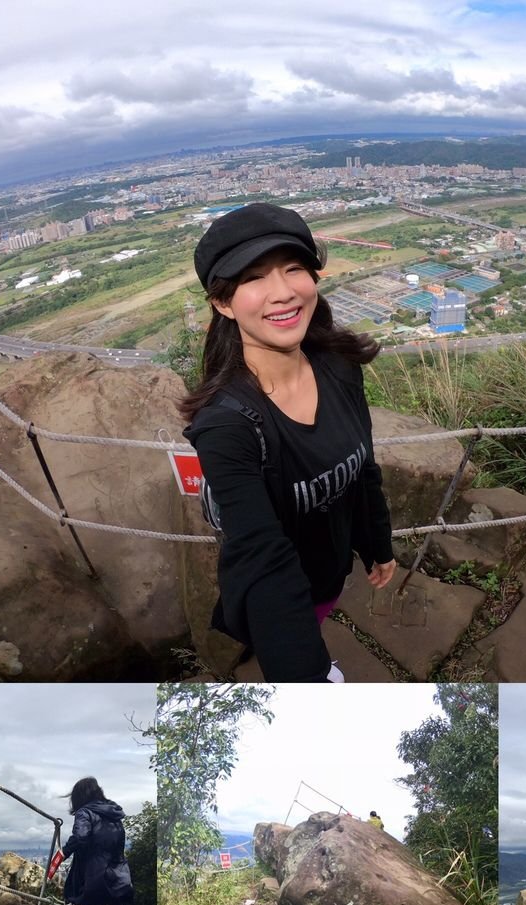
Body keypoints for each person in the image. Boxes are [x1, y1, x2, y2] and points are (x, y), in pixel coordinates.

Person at [181, 203, 396, 682]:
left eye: (294, 268)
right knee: (302, 630)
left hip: (332, 567)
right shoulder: (227, 427)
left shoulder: (338, 367)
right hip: (291, 585)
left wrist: (376, 544)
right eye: (254, 278)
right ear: (222, 303)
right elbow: (262, 557)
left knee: (319, 612)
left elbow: (363, 470)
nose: (282, 292)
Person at [56, 777, 137, 905]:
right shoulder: (114, 814)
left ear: (79, 797)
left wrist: (63, 853)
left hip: (94, 875)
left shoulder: (85, 812)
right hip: (118, 872)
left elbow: (81, 836)